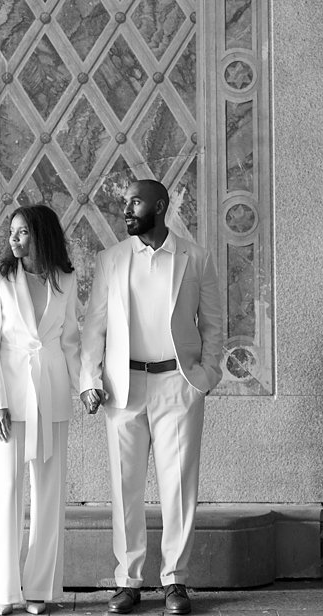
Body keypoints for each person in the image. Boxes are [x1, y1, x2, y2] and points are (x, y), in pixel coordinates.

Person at [79, 179, 224, 616]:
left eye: (135, 202)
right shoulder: (112, 259)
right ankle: (128, 581)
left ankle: (175, 581)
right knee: (125, 487)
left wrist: (206, 377)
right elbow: (93, 327)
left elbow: (214, 323)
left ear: (160, 206)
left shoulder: (195, 258)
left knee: (179, 486)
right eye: (126, 203)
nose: (127, 209)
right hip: (124, 388)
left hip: (177, 385)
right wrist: (89, 379)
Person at [0, 204, 82, 616]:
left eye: (22, 232)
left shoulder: (67, 279)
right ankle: (6, 592)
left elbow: (71, 340)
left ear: (41, 234)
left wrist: (87, 387)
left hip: (54, 395)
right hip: (11, 400)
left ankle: (40, 590)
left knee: (49, 494)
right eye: (12, 232)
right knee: (7, 490)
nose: (14, 239)